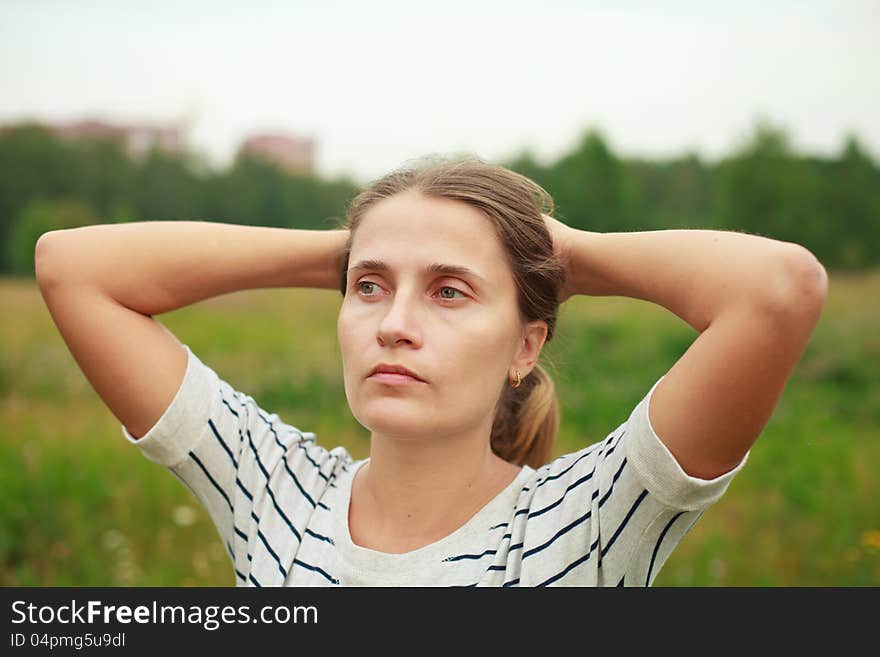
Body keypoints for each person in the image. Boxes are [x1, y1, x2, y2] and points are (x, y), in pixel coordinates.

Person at [34, 156, 828, 586]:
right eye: (368, 289)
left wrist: (560, 253)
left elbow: (777, 289)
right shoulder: (276, 491)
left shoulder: (586, 520)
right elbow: (72, 267)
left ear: (526, 346)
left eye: (450, 291)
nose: (395, 324)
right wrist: (350, 248)